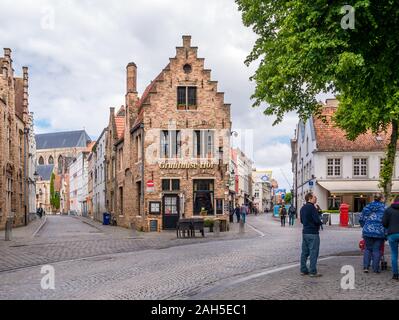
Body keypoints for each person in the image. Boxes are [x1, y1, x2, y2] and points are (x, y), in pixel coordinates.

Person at [359, 193, 386, 274]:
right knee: (376, 250)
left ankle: (366, 267)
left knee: (367, 249)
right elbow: (386, 220)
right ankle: (375, 269)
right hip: (379, 231)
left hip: (367, 231)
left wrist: (365, 226)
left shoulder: (367, 206)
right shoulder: (384, 208)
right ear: (381, 198)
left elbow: (361, 219)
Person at [300, 192, 323, 277]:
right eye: (314, 197)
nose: (316, 198)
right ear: (310, 198)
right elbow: (316, 220)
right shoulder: (312, 208)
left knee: (304, 252)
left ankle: (303, 270)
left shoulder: (302, 208)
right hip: (313, 232)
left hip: (305, 232)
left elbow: (302, 220)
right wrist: (320, 222)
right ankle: (313, 271)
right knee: (313, 252)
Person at [383, 195, 399, 281]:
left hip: (392, 234)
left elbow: (384, 223)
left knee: (394, 254)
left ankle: (395, 274)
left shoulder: (388, 210)